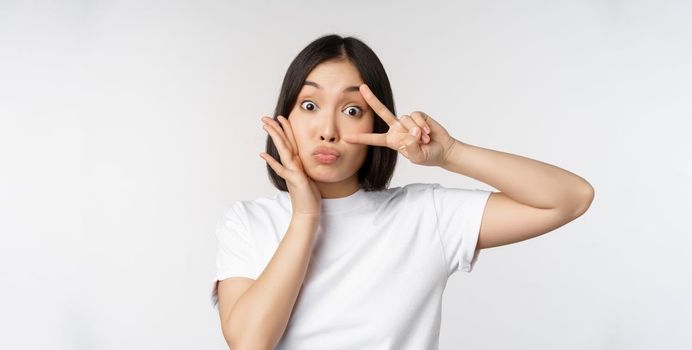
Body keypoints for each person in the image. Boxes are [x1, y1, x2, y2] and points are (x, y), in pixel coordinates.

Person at [211, 34, 595, 350]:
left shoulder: (423, 215)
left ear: (376, 124)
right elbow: (249, 343)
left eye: (351, 110)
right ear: (284, 118)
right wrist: (306, 216)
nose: (327, 130)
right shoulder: (248, 221)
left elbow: (570, 198)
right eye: (309, 105)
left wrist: (451, 153)